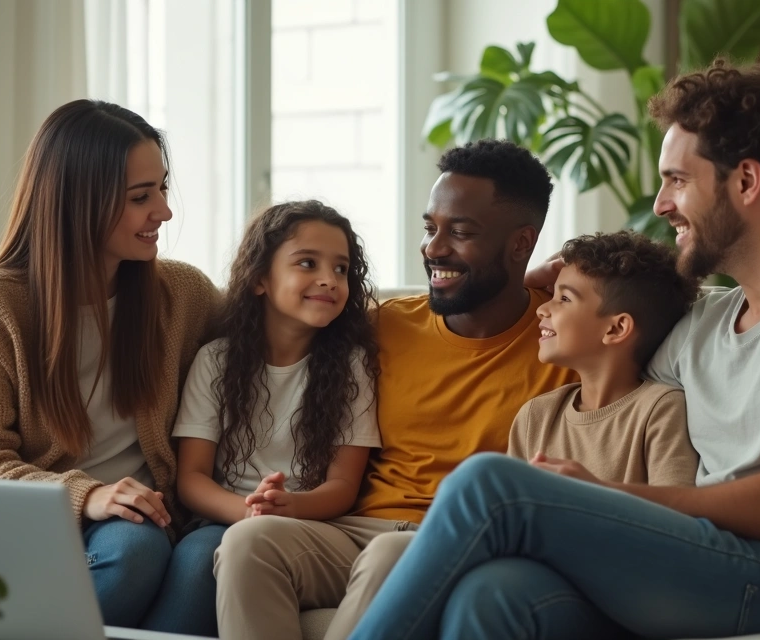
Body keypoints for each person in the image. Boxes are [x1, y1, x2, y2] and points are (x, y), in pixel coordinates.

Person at [349, 58, 760, 639]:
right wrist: (543, 280)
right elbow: (606, 325)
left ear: (745, 181)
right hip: (700, 560)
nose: (660, 205)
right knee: (496, 594)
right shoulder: (703, 320)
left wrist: (611, 495)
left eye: (677, 181)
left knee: (489, 484)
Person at [213, 139, 577, 639]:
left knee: (388, 556)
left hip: (465, 541)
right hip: (356, 530)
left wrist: (568, 270)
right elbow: (277, 316)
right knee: (247, 543)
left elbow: (639, 297)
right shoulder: (379, 326)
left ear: (520, 244)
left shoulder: (564, 338)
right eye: (430, 228)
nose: (433, 249)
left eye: (461, 232)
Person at [0, 99, 223, 634]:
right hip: (33, 528)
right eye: (141, 197)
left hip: (161, 521)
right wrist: (88, 496)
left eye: (162, 188)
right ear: (78, 202)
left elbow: (262, 350)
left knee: (215, 552)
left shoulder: (182, 295)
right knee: (133, 546)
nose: (164, 211)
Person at [171, 200, 382, 574]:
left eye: (341, 268)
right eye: (307, 263)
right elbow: (192, 476)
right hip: (225, 518)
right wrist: (250, 509)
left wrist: (290, 507)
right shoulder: (214, 360)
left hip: (307, 526)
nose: (329, 279)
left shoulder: (352, 366)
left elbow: (344, 484)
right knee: (194, 560)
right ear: (259, 279)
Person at [510, 230, 700, 488]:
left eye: (564, 298)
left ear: (616, 329)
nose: (542, 309)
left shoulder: (661, 410)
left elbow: (675, 515)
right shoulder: (536, 417)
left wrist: (588, 496)